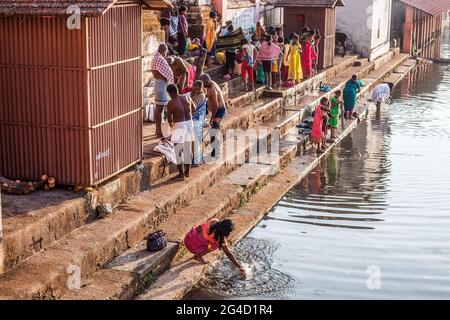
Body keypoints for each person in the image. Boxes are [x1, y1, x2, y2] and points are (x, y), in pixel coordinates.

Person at [166, 84, 195, 181]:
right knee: (188, 149)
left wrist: (170, 125)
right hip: (189, 123)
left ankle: (181, 175)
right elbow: (194, 108)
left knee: (178, 150)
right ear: (177, 90)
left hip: (179, 125)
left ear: (169, 93)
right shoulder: (187, 97)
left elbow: (170, 119)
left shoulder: (170, 103)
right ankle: (187, 172)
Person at [151, 44, 174, 138]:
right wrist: (167, 79)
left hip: (160, 84)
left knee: (159, 109)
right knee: (159, 109)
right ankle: (158, 131)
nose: (166, 53)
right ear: (163, 50)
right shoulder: (159, 59)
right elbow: (159, 74)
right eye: (166, 51)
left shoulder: (156, 58)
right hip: (161, 85)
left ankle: (158, 131)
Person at [190, 80, 207, 165]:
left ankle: (196, 161)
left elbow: (193, 107)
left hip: (196, 121)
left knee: (196, 141)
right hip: (199, 121)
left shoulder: (199, 97)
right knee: (197, 141)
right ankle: (197, 159)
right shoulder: (202, 95)